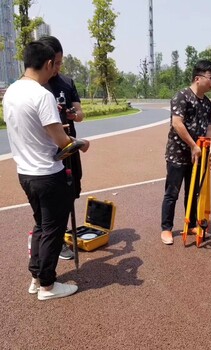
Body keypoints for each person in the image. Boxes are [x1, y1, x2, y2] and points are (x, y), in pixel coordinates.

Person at [3, 41, 89, 300]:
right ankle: (47, 286)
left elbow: (34, 129)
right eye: (56, 64)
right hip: (48, 173)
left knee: (41, 225)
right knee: (52, 230)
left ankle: (35, 276)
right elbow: (62, 143)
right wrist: (81, 144)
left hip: (25, 172)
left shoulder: (12, 91)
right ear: (49, 63)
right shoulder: (42, 95)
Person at [160, 60, 211, 245]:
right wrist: (193, 145)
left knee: (193, 192)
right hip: (178, 153)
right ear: (197, 78)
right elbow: (177, 123)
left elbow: (208, 129)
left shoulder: (207, 103)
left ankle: (191, 222)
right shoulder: (182, 96)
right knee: (172, 192)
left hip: (199, 154)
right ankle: (166, 229)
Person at [38, 36, 84, 260]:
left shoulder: (66, 82)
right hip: (47, 151)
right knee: (50, 198)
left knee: (72, 190)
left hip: (69, 146)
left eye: (60, 63)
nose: (58, 68)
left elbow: (80, 113)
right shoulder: (36, 84)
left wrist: (73, 114)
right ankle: (52, 237)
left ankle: (60, 233)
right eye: (55, 63)